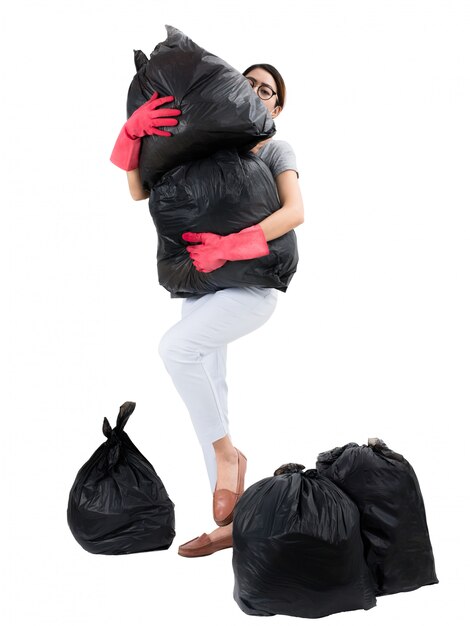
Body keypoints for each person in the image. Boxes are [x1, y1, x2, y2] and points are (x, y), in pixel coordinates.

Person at [110, 63, 304, 558]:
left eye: (268, 92)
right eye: (250, 86)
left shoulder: (276, 149)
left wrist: (230, 248)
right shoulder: (205, 144)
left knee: (175, 351)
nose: (258, 95)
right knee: (209, 392)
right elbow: (138, 189)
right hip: (200, 288)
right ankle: (231, 524)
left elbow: (294, 212)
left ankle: (228, 454)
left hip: (251, 288)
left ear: (277, 107)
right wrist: (131, 132)